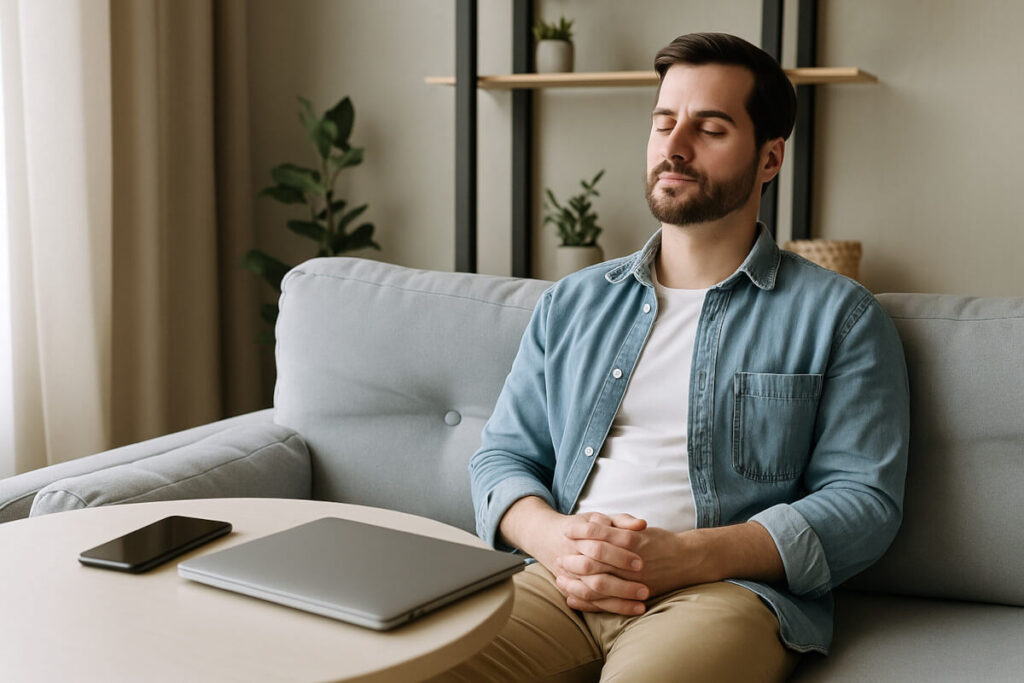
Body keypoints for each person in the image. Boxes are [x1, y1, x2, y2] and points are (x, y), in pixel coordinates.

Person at [442, 32, 909, 682]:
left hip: (722, 592)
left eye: (709, 128)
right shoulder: (571, 303)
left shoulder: (842, 316)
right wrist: (554, 539)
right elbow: (503, 455)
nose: (675, 145)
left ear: (770, 158)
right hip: (559, 581)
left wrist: (689, 556)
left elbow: (863, 501)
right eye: (665, 122)